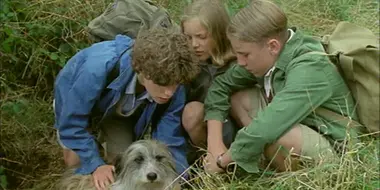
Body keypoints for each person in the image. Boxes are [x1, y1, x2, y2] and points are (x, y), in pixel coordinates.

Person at [203, 0, 362, 173]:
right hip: (296, 124)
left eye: (245, 54)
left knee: (279, 138)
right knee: (239, 98)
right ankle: (260, 156)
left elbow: (267, 128)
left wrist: (221, 161)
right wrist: (214, 145)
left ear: (273, 46)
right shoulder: (268, 55)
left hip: (332, 141)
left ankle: (279, 173)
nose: (240, 63)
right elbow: (221, 85)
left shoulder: (310, 68)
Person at [53, 28, 200, 189]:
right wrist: (95, 165)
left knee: (124, 164)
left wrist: (177, 177)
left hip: (121, 112)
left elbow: (168, 139)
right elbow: (71, 123)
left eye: (176, 84)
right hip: (75, 102)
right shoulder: (97, 69)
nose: (169, 92)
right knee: (78, 163)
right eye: (163, 84)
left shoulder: (172, 76)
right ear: (142, 71)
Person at [179, 0, 238, 163]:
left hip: (234, 128)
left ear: (219, 33)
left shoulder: (238, 60)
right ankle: (207, 160)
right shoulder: (185, 63)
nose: (194, 44)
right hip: (202, 130)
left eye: (201, 37)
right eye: (188, 37)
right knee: (192, 112)